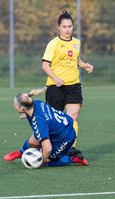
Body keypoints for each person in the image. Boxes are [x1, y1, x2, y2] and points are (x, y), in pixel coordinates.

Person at [42, 10, 93, 148]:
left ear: (73, 27)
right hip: (55, 87)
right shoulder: (54, 43)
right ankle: (50, 149)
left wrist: (84, 65)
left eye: (70, 26)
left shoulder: (76, 42)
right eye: (64, 26)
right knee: (55, 122)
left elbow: (75, 59)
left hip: (74, 85)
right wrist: (55, 78)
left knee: (73, 118)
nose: (67, 29)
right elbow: (45, 65)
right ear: (59, 27)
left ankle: (71, 148)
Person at [4, 88, 88, 167]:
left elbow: (48, 148)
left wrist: (41, 161)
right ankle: (20, 153)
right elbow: (42, 115)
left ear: (22, 108)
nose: (14, 106)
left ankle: (74, 158)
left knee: (49, 162)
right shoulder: (36, 103)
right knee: (34, 139)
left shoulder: (38, 121)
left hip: (65, 137)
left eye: (15, 105)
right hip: (61, 127)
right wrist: (26, 115)